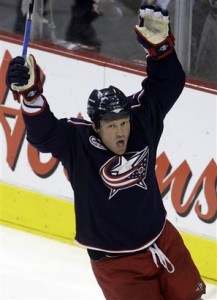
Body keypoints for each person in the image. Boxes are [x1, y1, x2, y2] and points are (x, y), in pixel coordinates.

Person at [6, 4, 206, 300]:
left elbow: (169, 83)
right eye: (112, 126)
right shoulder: (79, 142)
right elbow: (44, 135)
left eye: (123, 123)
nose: (121, 131)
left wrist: (161, 49)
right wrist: (31, 96)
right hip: (117, 262)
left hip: (162, 239)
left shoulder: (141, 122)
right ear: (96, 127)